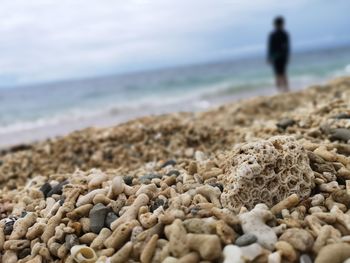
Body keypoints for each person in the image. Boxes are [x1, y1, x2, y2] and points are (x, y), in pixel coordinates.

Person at [267, 16, 290, 92]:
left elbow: (287, 47)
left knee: (281, 73)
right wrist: (269, 57)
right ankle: (281, 89)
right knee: (279, 74)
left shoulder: (282, 34)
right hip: (277, 57)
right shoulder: (279, 34)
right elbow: (270, 47)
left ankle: (284, 89)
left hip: (279, 56)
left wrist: (269, 57)